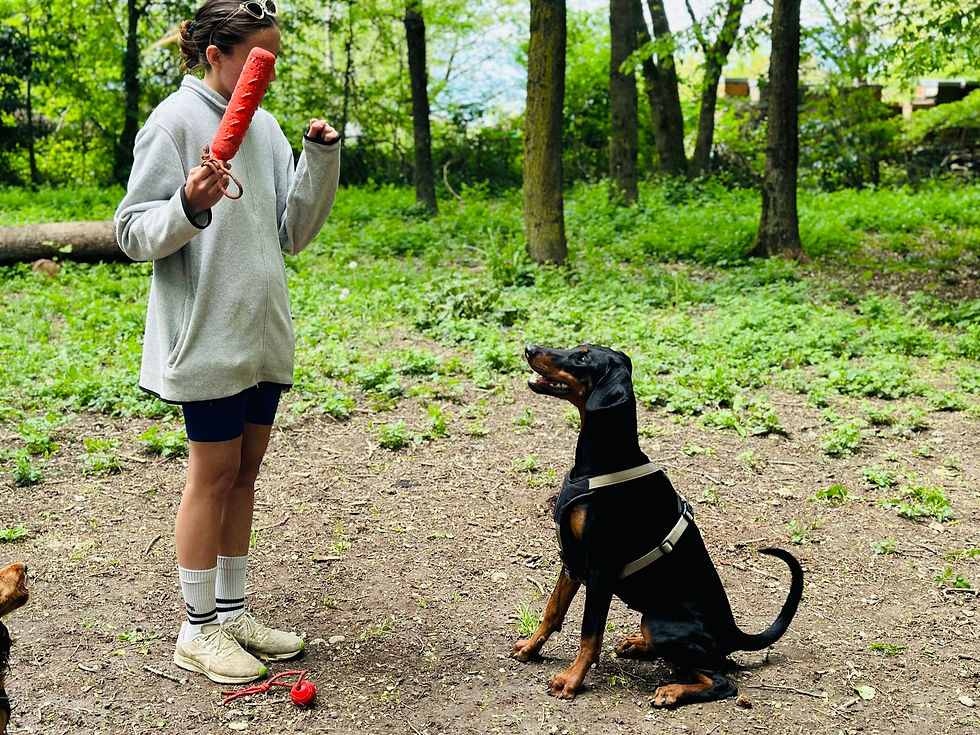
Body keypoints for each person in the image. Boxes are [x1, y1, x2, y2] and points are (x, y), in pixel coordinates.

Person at [114, 0, 340, 684]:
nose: (263, 75)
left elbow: (291, 233)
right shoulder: (173, 122)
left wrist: (321, 157)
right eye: (254, 60)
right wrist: (186, 204)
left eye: (273, 62)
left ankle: (233, 611)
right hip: (205, 336)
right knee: (210, 478)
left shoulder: (265, 127)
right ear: (215, 55)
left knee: (244, 475)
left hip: (260, 332)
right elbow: (131, 232)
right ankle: (195, 628)